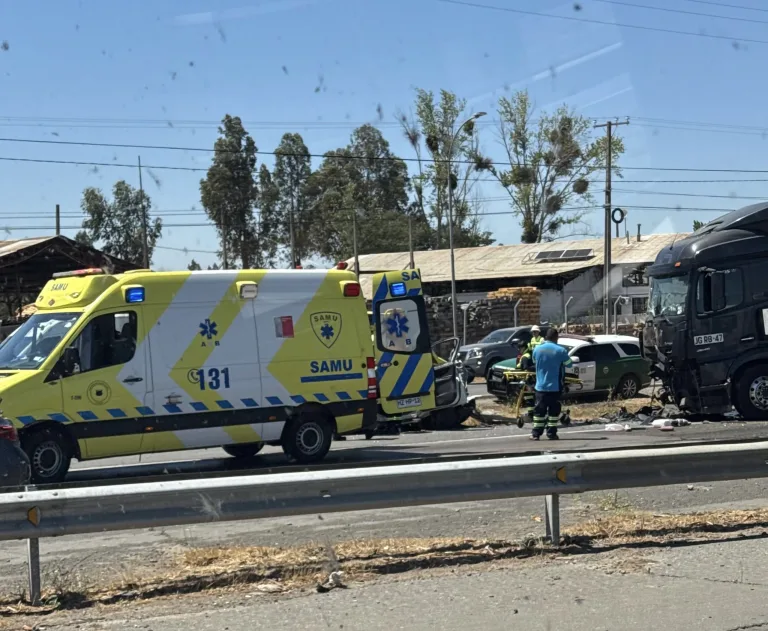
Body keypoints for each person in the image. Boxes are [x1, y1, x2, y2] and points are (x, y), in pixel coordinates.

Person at [531, 328, 573, 440]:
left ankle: (536, 434)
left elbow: (534, 361)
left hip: (540, 387)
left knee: (539, 412)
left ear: (545, 337)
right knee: (553, 412)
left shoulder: (537, 349)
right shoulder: (561, 351)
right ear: (556, 338)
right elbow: (569, 364)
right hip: (555, 387)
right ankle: (551, 434)